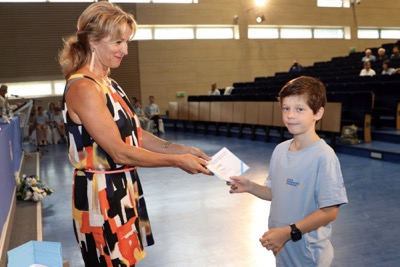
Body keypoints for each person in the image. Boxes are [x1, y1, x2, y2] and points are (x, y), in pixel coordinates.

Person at [58, 2, 211, 266]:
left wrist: (180, 149)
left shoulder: (109, 83)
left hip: (124, 186)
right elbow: (118, 150)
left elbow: (136, 134)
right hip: (101, 195)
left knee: (129, 259)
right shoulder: (83, 87)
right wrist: (176, 162)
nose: (125, 51)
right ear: (93, 41)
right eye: (118, 42)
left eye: (127, 42)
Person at [227, 76, 348, 267]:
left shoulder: (324, 156)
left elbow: (330, 211)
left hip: (307, 252)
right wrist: (249, 186)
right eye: (286, 108)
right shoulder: (280, 150)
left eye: (299, 109)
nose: (290, 115)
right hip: (282, 246)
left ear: (318, 113)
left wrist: (288, 232)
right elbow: (275, 192)